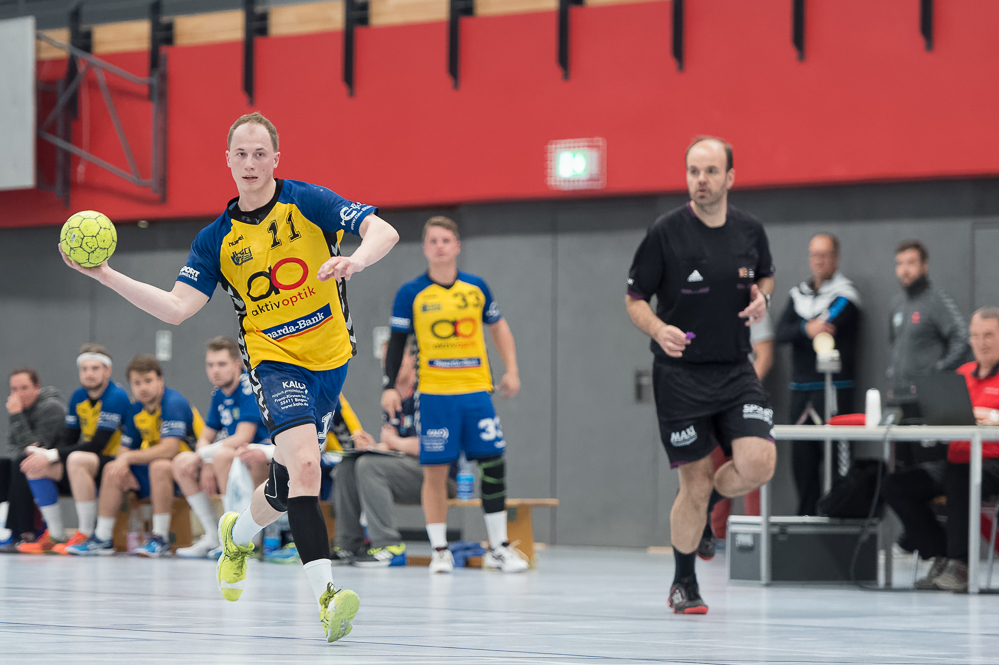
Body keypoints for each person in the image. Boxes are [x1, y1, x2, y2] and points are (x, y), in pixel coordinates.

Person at [60, 111, 398, 642]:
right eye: (241, 153)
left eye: (260, 153)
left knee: (285, 486)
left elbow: (384, 229)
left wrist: (357, 259)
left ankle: (236, 534)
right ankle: (328, 598)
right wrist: (104, 274)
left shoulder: (308, 202)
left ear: (276, 159)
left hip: (331, 360)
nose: (250, 163)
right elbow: (176, 308)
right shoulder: (215, 239)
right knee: (307, 467)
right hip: (273, 361)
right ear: (228, 161)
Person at [625, 136, 776, 614]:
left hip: (735, 369)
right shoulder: (665, 232)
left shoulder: (750, 229)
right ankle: (684, 583)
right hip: (680, 376)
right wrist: (658, 328)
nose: (701, 180)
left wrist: (764, 297)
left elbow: (766, 275)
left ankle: (708, 504)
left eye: (710, 171)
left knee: (759, 463)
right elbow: (634, 299)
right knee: (694, 481)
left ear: (730, 177)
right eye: (693, 171)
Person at [382, 215, 527, 574]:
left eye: (446, 240)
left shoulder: (476, 288)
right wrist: (389, 386)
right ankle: (440, 551)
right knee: (435, 471)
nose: (440, 247)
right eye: (433, 241)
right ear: (425, 248)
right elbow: (396, 343)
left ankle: (498, 548)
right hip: (434, 395)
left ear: (457, 246)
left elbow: (499, 327)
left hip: (476, 392)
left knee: (493, 463)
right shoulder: (411, 293)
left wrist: (512, 370)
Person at [884, 307, 999, 592]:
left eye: (989, 335)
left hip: (993, 463)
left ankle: (961, 564)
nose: (981, 342)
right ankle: (940, 553)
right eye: (975, 335)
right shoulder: (961, 375)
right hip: (957, 459)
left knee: (960, 475)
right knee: (896, 485)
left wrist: (990, 416)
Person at [66, 355, 202, 557]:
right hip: (160, 471)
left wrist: (128, 459)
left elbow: (169, 449)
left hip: (190, 470)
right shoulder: (136, 408)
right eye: (137, 383)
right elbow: (125, 447)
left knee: (158, 465)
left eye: (148, 381)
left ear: (160, 380)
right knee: (112, 468)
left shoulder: (174, 403)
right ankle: (102, 538)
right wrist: (123, 463)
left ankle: (160, 538)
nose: (142, 388)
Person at [334, 344, 456, 567]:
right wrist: (375, 447)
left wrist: (394, 443)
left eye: (396, 358)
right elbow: (397, 447)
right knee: (348, 465)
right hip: (406, 470)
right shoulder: (393, 398)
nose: (389, 364)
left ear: (413, 361)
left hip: (440, 479)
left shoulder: (426, 394)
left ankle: (389, 546)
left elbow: (434, 445)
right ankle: (348, 545)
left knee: (369, 466)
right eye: (386, 360)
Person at [776, 233, 862, 515]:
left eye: (824, 255)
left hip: (834, 390)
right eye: (815, 255)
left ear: (835, 258)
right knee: (802, 463)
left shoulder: (846, 295)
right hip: (801, 392)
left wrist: (803, 329)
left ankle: (838, 521)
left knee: (838, 463)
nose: (819, 261)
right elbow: (782, 332)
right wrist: (805, 328)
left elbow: (828, 324)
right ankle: (806, 522)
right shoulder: (797, 295)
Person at [16, 345, 131, 554]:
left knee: (77, 458)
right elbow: (68, 438)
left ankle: (85, 533)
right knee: (34, 466)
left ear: (107, 371)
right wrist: (45, 455)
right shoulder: (78, 396)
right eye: (84, 369)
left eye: (95, 368)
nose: (89, 373)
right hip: (86, 465)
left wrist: (53, 454)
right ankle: (55, 535)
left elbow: (98, 445)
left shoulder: (116, 396)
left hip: (114, 462)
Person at [173, 337, 270, 559]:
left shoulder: (249, 387)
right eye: (210, 365)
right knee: (181, 462)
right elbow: (205, 436)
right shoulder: (219, 393)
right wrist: (206, 460)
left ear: (237, 365)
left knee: (222, 456)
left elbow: (243, 436)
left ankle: (237, 537)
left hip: (260, 458)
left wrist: (204, 456)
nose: (215, 370)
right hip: (234, 458)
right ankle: (213, 535)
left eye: (221, 364)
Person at [701, 313, 774, 558]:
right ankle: (717, 536)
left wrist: (744, 392)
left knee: (752, 467)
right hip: (711, 400)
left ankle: (756, 534)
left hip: (745, 401)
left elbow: (764, 356)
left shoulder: (752, 307)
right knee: (715, 467)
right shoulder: (702, 308)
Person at [887, 240, 968, 417]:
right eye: (900, 264)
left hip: (927, 398)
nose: (904, 270)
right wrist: (893, 371)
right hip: (899, 396)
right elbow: (894, 344)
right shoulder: (897, 304)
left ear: (924, 266)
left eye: (911, 263)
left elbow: (961, 337)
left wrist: (937, 370)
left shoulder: (936, 301)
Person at [0, 369, 64, 550]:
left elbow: (37, 446)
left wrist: (16, 416)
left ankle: (25, 532)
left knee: (22, 463)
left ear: (37, 387)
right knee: (3, 465)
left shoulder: (52, 408)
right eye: (14, 389)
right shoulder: (21, 410)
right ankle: (8, 529)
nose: (19, 394)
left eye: (24, 388)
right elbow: (11, 446)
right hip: (36, 462)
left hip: (58, 465)